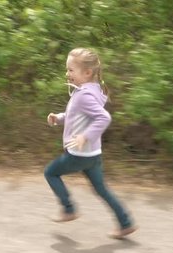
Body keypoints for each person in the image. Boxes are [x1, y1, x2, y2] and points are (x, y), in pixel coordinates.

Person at [44, 48, 137, 239]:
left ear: (87, 73)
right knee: (102, 190)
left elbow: (104, 118)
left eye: (71, 70)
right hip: (93, 155)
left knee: (51, 172)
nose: (67, 74)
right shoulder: (90, 90)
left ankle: (68, 209)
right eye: (67, 69)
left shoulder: (84, 95)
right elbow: (77, 116)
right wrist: (59, 118)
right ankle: (125, 223)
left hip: (79, 154)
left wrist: (84, 136)